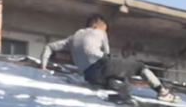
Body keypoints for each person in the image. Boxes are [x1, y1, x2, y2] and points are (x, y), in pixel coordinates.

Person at [41, 14, 175, 102]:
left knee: (112, 78)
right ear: (95, 26)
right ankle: (162, 92)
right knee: (139, 66)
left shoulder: (72, 38)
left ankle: (115, 85)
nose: (105, 32)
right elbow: (107, 53)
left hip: (89, 76)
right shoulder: (98, 32)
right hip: (102, 64)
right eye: (104, 29)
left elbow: (49, 47)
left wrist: (43, 66)